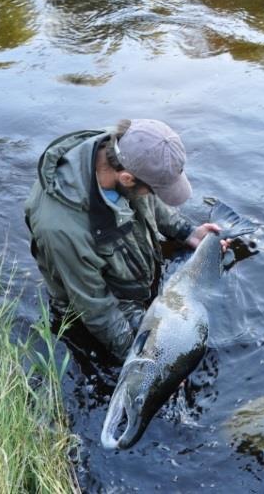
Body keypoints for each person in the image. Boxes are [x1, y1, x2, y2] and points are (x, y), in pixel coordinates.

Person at [24, 119, 220, 362]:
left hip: (127, 278)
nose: (154, 195)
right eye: (154, 189)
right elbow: (97, 309)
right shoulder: (61, 229)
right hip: (95, 305)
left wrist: (187, 232)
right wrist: (140, 358)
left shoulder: (125, 149)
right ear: (127, 179)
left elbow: (148, 198)